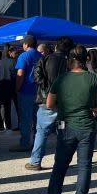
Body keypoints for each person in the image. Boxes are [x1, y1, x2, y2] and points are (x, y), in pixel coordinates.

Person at [35, 46, 97, 194]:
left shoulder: (61, 79)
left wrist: (65, 105)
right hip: (87, 125)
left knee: (60, 166)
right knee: (84, 165)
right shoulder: (93, 78)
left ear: (70, 60)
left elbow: (50, 104)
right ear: (86, 60)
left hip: (66, 126)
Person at [28, 36, 73, 170]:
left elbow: (35, 76)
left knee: (41, 132)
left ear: (56, 46)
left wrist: (46, 88)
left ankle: (36, 162)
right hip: (64, 104)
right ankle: (61, 162)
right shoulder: (70, 63)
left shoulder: (46, 58)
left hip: (45, 101)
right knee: (62, 133)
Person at [10, 35, 42, 152]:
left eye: (23, 44)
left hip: (26, 91)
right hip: (39, 92)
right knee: (37, 119)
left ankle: (24, 143)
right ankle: (37, 143)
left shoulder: (23, 56)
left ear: (26, 44)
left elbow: (20, 73)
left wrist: (17, 88)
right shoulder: (41, 56)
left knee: (25, 119)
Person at [0, 50, 15, 131]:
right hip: (7, 87)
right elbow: (13, 75)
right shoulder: (10, 62)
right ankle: (7, 125)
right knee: (5, 107)